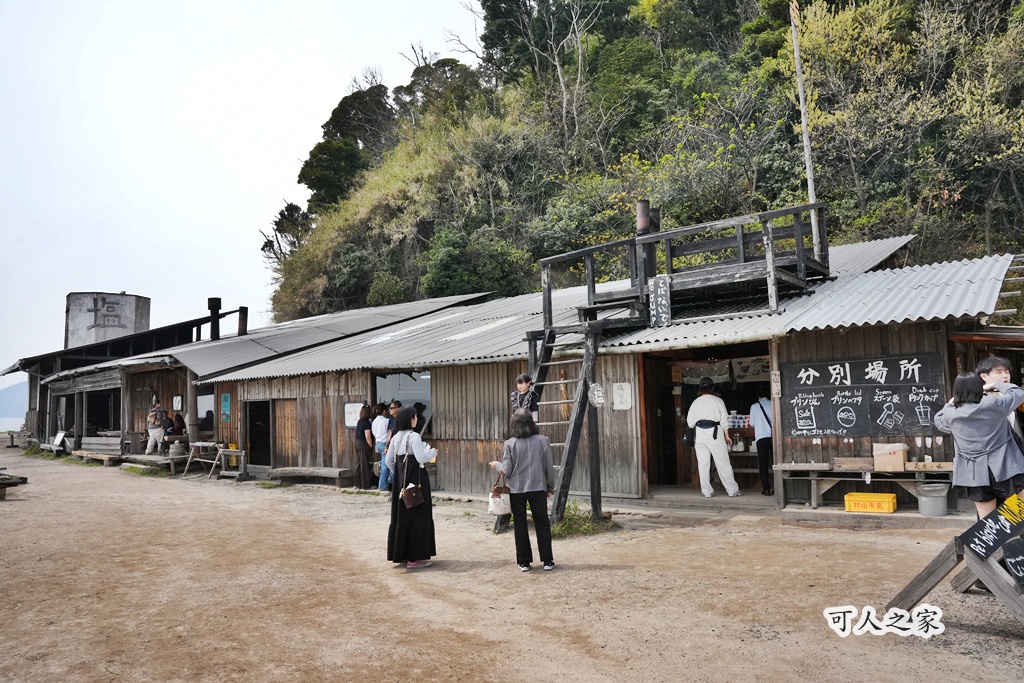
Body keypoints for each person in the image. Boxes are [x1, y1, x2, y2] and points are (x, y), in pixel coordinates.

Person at [934, 372, 1024, 518]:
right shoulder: (994, 404)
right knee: (1020, 514)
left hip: (975, 475)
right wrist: (995, 385)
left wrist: (950, 403)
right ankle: (1013, 531)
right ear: (980, 388)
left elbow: (938, 420)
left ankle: (996, 538)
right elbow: (1018, 392)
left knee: (986, 523)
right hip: (1006, 468)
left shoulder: (950, 415)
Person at [489, 409, 556, 572]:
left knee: (520, 523)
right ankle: (547, 560)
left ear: (515, 425)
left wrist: (496, 465)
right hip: (538, 486)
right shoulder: (543, 441)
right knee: (542, 522)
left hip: (517, 489)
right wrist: (549, 487)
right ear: (532, 423)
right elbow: (549, 467)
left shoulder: (510, 444)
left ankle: (524, 562)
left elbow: (508, 470)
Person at [384, 406, 438, 569]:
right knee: (418, 516)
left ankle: (402, 554)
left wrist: (399, 475)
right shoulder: (414, 436)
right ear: (410, 419)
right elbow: (421, 457)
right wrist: (432, 453)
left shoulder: (395, 437)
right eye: (414, 417)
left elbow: (388, 461)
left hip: (400, 485)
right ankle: (416, 558)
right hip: (416, 481)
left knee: (402, 517)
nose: (416, 419)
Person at [686, 377, 742, 498]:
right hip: (715, 434)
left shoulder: (695, 402)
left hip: (700, 435)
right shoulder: (717, 401)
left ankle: (706, 491)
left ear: (700, 389)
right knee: (723, 463)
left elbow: (690, 423)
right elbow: (724, 420)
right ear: (712, 388)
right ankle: (732, 490)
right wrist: (727, 436)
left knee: (703, 464)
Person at [749, 390, 774, 496]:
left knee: (763, 464)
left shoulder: (754, 407)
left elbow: (752, 423)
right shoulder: (774, 404)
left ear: (758, 396)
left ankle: (766, 489)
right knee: (776, 463)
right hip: (774, 437)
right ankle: (778, 488)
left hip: (761, 438)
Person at [354, 405, 374, 489]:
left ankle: (357, 483)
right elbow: (368, 436)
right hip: (364, 444)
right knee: (365, 465)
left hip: (358, 443)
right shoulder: (366, 423)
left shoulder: (360, 421)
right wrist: (371, 445)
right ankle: (366, 485)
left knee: (360, 464)